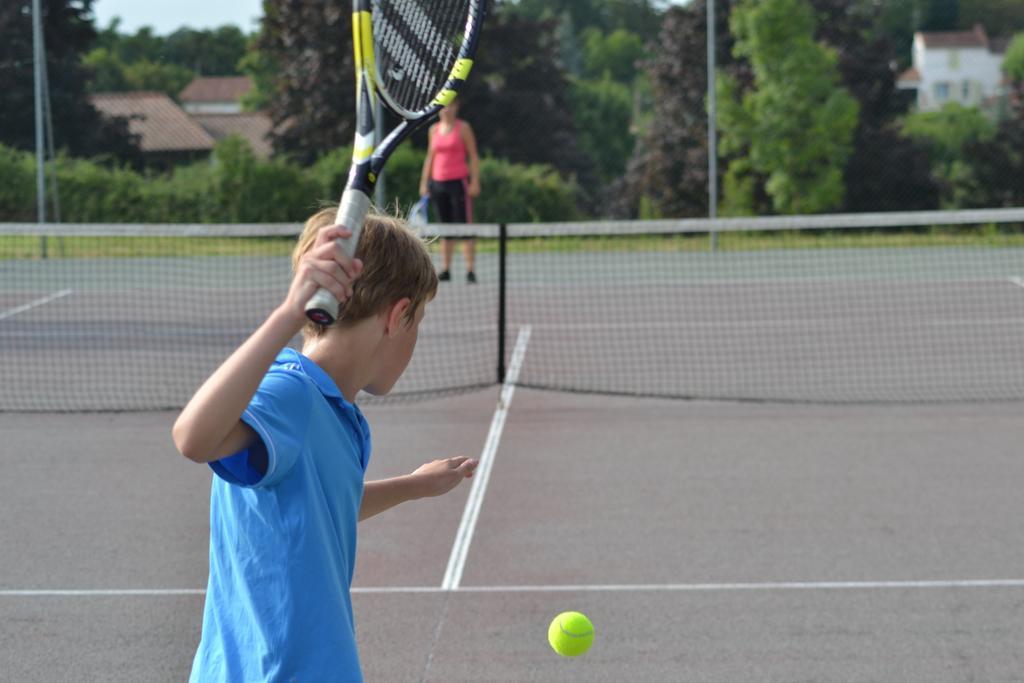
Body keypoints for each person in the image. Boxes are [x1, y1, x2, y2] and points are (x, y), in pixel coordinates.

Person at [172, 208, 478, 682]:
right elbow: (194, 439)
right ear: (398, 316)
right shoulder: (291, 394)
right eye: (418, 321)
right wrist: (286, 314)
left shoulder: (338, 412)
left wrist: (414, 485)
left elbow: (321, 507)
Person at [419, 98, 481, 283]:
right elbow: (430, 158)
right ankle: (446, 269)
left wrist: (475, 181)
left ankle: (470, 270)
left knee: (464, 227)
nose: (445, 109)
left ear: (456, 107)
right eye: (443, 106)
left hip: (458, 183)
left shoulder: (463, 128)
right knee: (444, 228)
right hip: (438, 184)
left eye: (450, 105)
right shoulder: (434, 130)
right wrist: (424, 182)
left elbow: (473, 156)